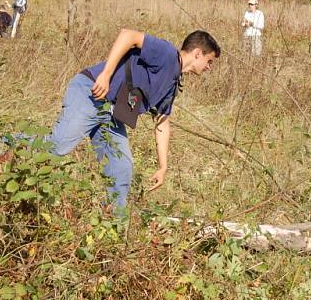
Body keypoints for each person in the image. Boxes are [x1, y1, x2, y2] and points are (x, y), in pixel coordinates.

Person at [48, 28, 220, 210]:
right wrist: (106, 75)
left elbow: (162, 122)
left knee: (122, 168)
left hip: (111, 112)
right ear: (197, 53)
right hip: (91, 92)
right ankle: (15, 146)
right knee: (58, 146)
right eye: (209, 61)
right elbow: (127, 35)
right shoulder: (167, 54)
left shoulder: (173, 81)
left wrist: (163, 167)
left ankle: (114, 225)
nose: (209, 67)